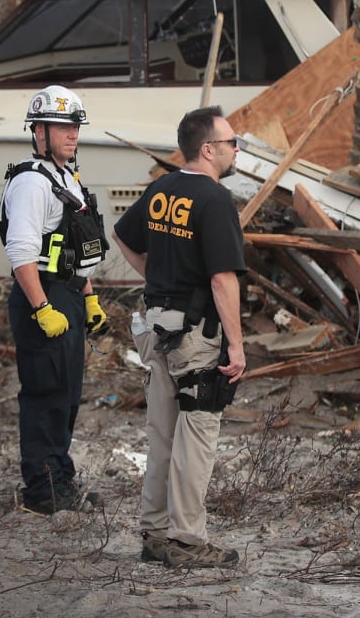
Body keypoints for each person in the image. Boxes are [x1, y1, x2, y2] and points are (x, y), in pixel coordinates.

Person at [113, 105, 247, 569]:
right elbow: (222, 279)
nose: (235, 149)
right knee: (196, 435)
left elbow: (122, 234)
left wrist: (153, 274)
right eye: (231, 142)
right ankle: (187, 540)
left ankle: (154, 534)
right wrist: (237, 344)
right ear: (208, 149)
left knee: (163, 433)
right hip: (195, 336)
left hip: (155, 326)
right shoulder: (215, 201)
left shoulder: (160, 190)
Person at [0, 84, 110, 515]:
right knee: (45, 394)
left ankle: (62, 478)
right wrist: (42, 307)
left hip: (67, 294)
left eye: (74, 125)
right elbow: (21, 252)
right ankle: (42, 493)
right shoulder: (31, 182)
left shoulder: (68, 178)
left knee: (67, 394)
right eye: (62, 126)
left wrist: (90, 299)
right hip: (39, 296)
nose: (71, 134)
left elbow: (76, 251)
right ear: (38, 131)